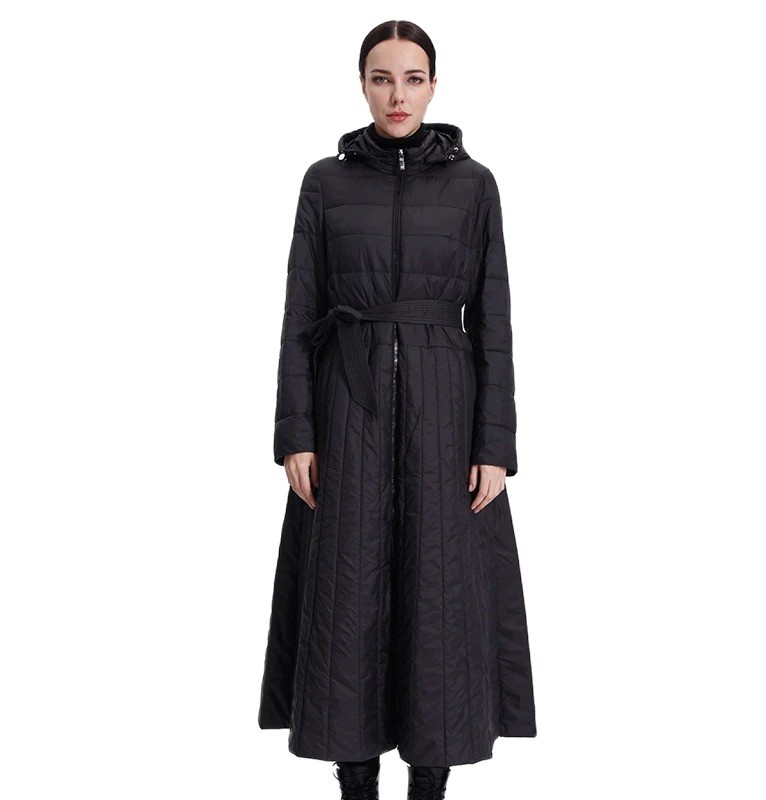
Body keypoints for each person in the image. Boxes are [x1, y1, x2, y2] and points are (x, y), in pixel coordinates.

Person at [258, 19, 537, 800]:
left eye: (413, 78)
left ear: (434, 86)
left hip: (447, 411)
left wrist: (494, 443)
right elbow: (299, 313)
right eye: (382, 78)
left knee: (438, 596)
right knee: (347, 596)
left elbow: (494, 321)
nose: (397, 95)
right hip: (345, 407)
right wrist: (296, 432)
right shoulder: (325, 182)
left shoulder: (475, 185)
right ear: (362, 85)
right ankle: (355, 783)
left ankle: (429, 784)